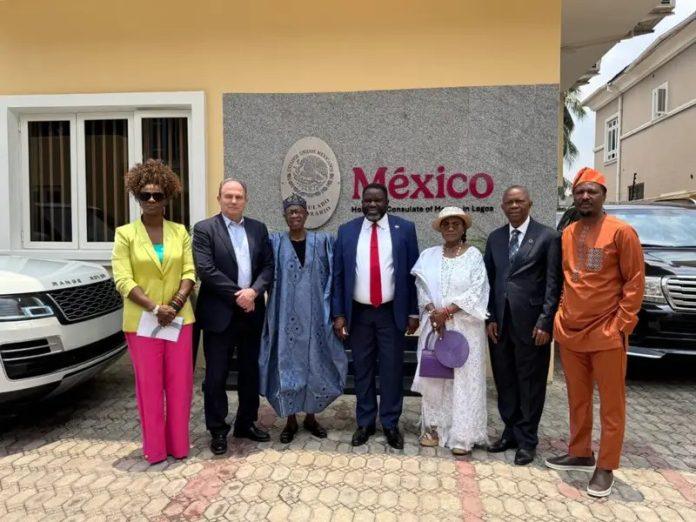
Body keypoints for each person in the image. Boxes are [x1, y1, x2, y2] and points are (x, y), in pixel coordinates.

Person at [545, 167, 644, 498]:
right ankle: (580, 452)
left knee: (612, 405)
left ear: (603, 195)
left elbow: (634, 283)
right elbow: (566, 278)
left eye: (592, 192)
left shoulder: (622, 232)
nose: (585, 197)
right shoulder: (568, 233)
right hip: (570, 331)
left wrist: (621, 325)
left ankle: (606, 465)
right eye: (579, 192)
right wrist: (561, 314)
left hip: (606, 332)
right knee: (578, 398)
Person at [111, 159, 196, 465]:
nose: (150, 200)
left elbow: (189, 272)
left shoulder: (179, 232)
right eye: (144, 195)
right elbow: (122, 279)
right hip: (142, 322)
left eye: (157, 195)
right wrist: (154, 307)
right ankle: (155, 450)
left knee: (180, 386)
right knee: (149, 387)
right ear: (136, 196)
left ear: (167, 198)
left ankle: (179, 446)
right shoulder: (125, 234)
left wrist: (174, 304)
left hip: (179, 320)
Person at [332, 183, 420, 449]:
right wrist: (338, 314)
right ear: (361, 203)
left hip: (391, 313)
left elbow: (413, 274)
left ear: (387, 202)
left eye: (377, 200)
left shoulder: (405, 229)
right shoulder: (347, 231)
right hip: (358, 314)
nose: (372, 205)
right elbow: (338, 275)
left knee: (392, 369)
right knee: (363, 369)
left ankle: (390, 423)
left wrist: (413, 311)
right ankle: (365, 422)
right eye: (367, 200)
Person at [192, 179, 274, 455]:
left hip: (252, 314)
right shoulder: (205, 229)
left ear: (246, 199)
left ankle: (245, 423)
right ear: (219, 199)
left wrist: (254, 291)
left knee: (250, 373)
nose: (234, 200)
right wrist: (240, 295)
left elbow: (268, 266)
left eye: (238, 196)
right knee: (216, 376)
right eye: (228, 196)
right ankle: (218, 429)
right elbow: (206, 270)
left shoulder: (258, 228)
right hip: (220, 314)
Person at [259, 194, 348, 443]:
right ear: (285, 216)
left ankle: (311, 417)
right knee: (287, 367)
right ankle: (290, 419)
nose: (295, 215)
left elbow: (336, 276)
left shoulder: (323, 242)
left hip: (316, 318)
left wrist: (336, 314)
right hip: (284, 317)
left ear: (307, 214)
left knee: (316, 366)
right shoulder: (275, 242)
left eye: (299, 211)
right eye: (291, 212)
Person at [483, 186, 562, 465]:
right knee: (505, 379)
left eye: (519, 201)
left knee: (530, 383)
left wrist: (546, 321)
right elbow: (488, 282)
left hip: (532, 326)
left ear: (530, 204)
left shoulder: (548, 237)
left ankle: (527, 440)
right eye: (509, 202)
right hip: (500, 325)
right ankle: (510, 432)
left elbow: (554, 284)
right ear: (502, 207)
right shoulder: (495, 238)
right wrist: (490, 318)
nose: (514, 206)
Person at [411, 207, 490, 455]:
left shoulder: (474, 256)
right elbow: (421, 287)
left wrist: (447, 311)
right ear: (440, 228)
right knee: (436, 378)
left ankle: (462, 436)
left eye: (456, 223)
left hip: (465, 328)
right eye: (446, 224)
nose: (451, 227)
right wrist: (434, 312)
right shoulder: (429, 255)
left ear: (464, 227)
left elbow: (478, 290)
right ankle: (434, 429)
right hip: (436, 327)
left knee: (464, 380)